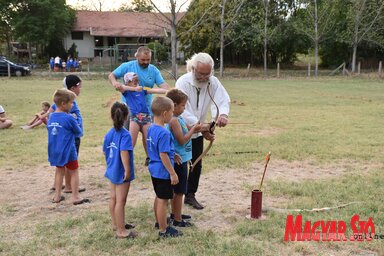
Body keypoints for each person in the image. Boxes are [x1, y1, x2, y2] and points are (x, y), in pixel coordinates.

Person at [175, 52, 230, 210]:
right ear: (193, 69)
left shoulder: (213, 82)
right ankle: (177, 194)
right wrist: (202, 127)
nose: (205, 77)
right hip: (183, 131)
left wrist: (221, 116)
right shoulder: (183, 82)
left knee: (196, 163)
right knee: (181, 163)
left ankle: (190, 195)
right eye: (201, 73)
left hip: (198, 130)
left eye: (208, 73)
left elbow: (222, 99)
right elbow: (183, 110)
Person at [108, 46, 170, 166]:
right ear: (136, 57)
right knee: (127, 137)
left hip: (147, 110)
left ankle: (150, 158)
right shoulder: (127, 66)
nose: (146, 62)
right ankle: (122, 159)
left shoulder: (153, 70)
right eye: (143, 60)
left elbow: (163, 86)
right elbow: (112, 75)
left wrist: (168, 90)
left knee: (149, 137)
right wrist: (115, 82)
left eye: (148, 60)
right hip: (128, 110)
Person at [146, 96, 182, 238]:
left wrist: (174, 154)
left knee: (159, 197)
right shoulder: (164, 132)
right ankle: (163, 229)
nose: (173, 114)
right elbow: (163, 155)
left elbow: (159, 149)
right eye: (172, 112)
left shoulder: (151, 128)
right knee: (163, 200)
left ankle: (158, 222)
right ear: (165, 113)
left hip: (154, 169)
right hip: (163, 171)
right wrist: (172, 173)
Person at [165, 89, 202, 227]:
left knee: (180, 190)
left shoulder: (179, 118)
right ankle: (177, 219)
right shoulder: (173, 120)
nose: (184, 108)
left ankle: (176, 213)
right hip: (179, 160)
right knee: (179, 191)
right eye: (182, 105)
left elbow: (189, 128)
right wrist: (193, 130)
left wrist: (203, 127)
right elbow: (182, 139)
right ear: (173, 105)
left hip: (183, 158)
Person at [43, 75, 85, 193]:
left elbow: (52, 110)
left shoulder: (64, 102)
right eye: (79, 87)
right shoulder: (69, 104)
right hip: (71, 138)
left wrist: (46, 117)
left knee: (62, 165)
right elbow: (77, 130)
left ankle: (59, 186)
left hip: (62, 140)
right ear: (73, 88)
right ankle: (68, 186)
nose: (80, 89)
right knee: (70, 163)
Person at [47, 89, 88, 205]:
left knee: (60, 171)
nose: (73, 105)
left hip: (55, 149)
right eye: (71, 102)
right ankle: (75, 197)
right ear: (64, 104)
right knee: (74, 171)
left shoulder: (51, 116)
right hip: (69, 150)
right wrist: (77, 124)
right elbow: (79, 132)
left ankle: (57, 196)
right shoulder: (69, 118)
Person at [103, 102, 137, 239]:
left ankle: (117, 223)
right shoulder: (125, 134)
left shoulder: (109, 133)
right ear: (126, 117)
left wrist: (110, 164)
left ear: (112, 116)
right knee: (120, 201)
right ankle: (121, 231)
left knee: (113, 198)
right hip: (121, 172)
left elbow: (105, 151)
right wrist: (127, 170)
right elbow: (124, 152)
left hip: (112, 169)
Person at [117, 72, 167, 164]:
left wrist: (168, 91)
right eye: (133, 80)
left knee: (149, 140)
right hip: (135, 118)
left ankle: (150, 158)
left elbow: (154, 90)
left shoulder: (142, 90)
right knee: (131, 142)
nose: (136, 82)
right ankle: (124, 161)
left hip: (146, 117)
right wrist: (134, 88)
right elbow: (120, 87)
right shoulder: (127, 92)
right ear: (127, 82)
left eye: (137, 80)